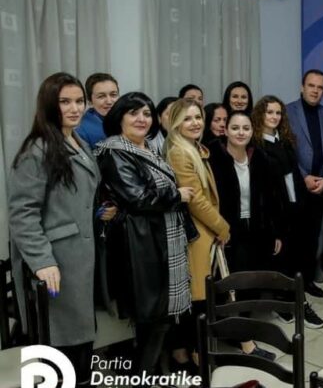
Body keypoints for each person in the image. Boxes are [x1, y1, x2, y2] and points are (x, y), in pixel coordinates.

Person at [8, 72, 114, 386]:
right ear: (48, 105)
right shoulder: (37, 149)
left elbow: (76, 198)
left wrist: (100, 212)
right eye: (64, 101)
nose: (74, 108)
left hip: (80, 258)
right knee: (60, 348)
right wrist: (42, 261)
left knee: (81, 345)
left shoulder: (77, 140)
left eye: (79, 101)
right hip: (56, 263)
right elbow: (22, 214)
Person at [95, 91, 194, 375]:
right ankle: (142, 375)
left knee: (160, 319)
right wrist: (176, 195)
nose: (142, 119)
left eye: (147, 113)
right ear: (119, 117)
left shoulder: (148, 147)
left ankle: (149, 372)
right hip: (140, 246)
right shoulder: (114, 151)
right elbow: (137, 198)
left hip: (160, 240)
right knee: (153, 318)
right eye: (134, 113)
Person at [206, 110, 279, 360]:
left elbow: (271, 198)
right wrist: (218, 229)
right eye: (235, 127)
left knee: (252, 284)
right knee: (232, 286)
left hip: (256, 229)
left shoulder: (259, 157)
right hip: (227, 231)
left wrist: (275, 232)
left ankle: (241, 334)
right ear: (225, 130)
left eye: (246, 128)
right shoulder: (213, 156)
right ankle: (244, 341)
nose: (240, 133)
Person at [251, 95, 323, 329]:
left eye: (278, 113)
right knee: (281, 262)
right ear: (260, 115)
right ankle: (286, 304)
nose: (274, 117)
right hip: (275, 214)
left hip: (296, 208)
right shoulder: (256, 146)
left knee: (297, 259)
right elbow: (262, 191)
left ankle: (296, 302)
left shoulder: (284, 141)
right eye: (269, 112)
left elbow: (294, 177)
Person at [165, 98, 231, 367]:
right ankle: (195, 358)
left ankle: (195, 354)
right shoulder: (180, 152)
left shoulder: (194, 148)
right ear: (176, 124)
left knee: (202, 297)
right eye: (187, 119)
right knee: (198, 300)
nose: (195, 123)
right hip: (196, 234)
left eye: (198, 117)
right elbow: (196, 201)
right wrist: (222, 227)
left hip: (204, 231)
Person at [286, 69, 323, 297]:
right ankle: (292, 284)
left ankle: (307, 281)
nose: (315, 90)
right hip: (297, 186)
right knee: (294, 237)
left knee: (313, 237)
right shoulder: (287, 112)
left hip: (320, 188)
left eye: (320, 87)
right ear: (302, 87)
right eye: (311, 85)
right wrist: (304, 177)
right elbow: (286, 150)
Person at [76, 72, 119, 148]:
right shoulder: (81, 132)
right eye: (101, 96)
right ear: (90, 102)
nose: (109, 101)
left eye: (113, 95)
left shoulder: (127, 120)